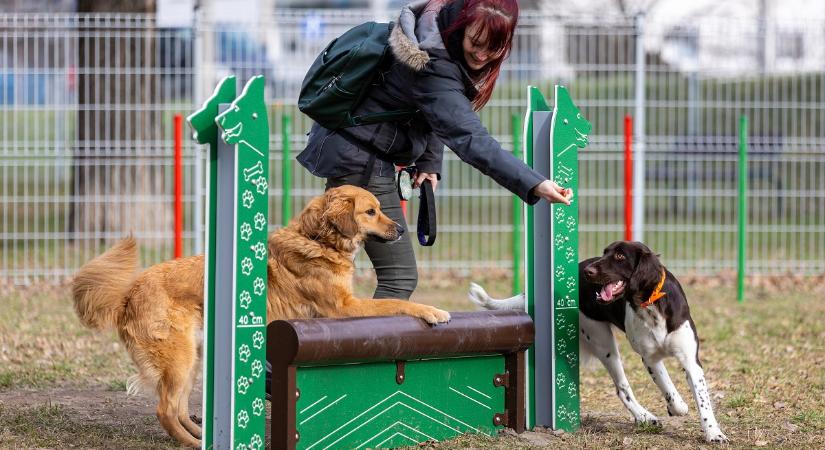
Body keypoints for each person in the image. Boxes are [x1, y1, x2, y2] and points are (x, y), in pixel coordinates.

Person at [297, 0, 572, 300]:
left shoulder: (435, 31)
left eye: (492, 48)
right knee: (398, 277)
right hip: (359, 159)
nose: (481, 54)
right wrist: (535, 183)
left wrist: (429, 162)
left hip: (352, 149)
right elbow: (469, 137)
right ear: (461, 26)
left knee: (323, 268)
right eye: (476, 43)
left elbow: (431, 111)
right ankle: (363, 344)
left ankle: (330, 329)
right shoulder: (434, 64)